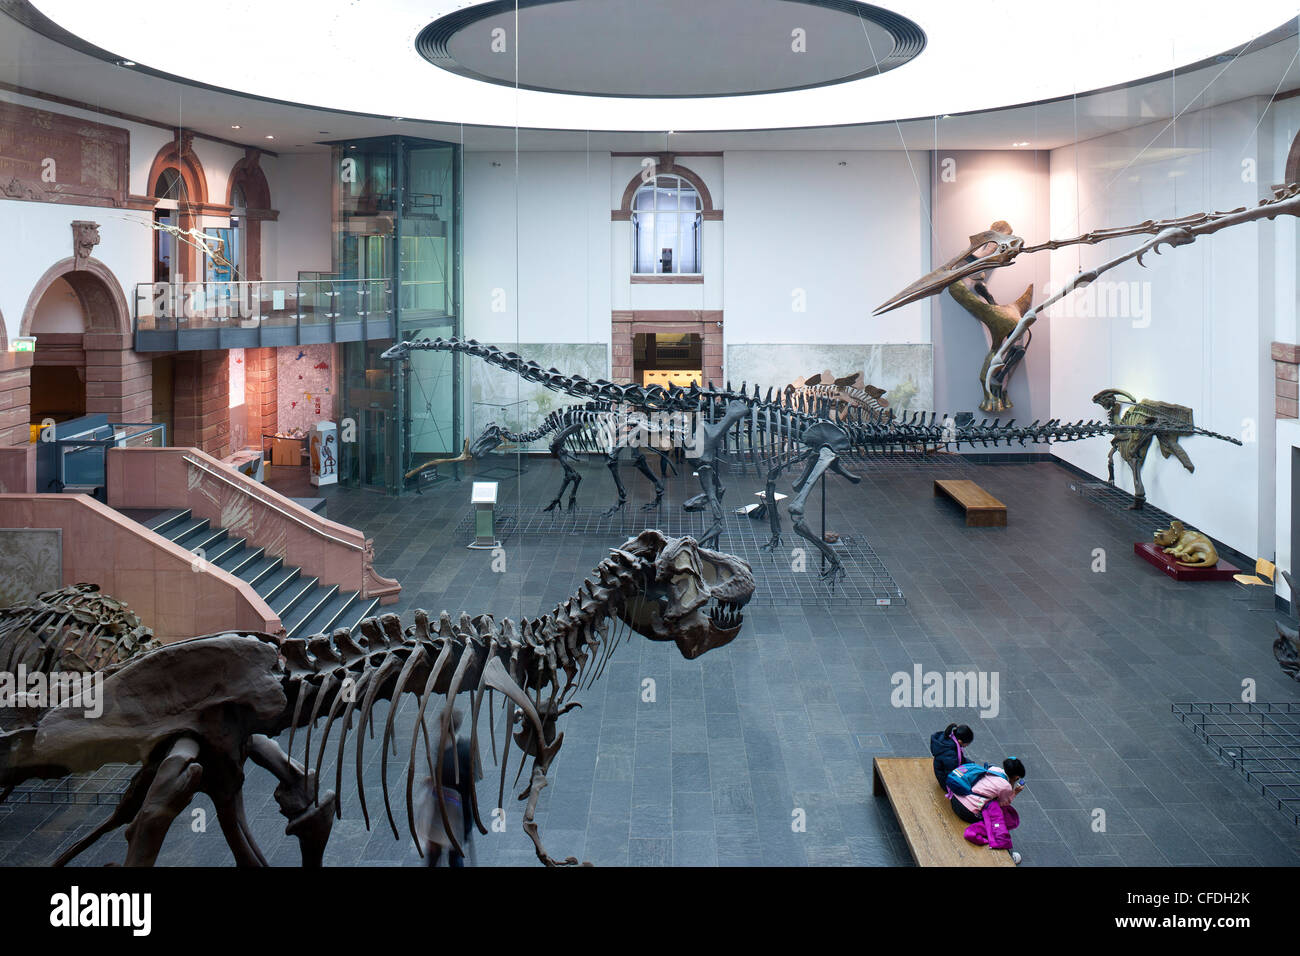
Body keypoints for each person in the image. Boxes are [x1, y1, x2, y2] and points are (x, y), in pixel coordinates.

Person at [949, 757, 1026, 864]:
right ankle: (1006, 853)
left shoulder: (994, 768)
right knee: (997, 818)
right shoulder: (1006, 786)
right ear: (1016, 777)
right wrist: (1015, 792)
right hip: (966, 811)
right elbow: (1003, 803)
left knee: (992, 807)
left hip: (955, 799)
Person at [929, 723, 974, 788]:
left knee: (972, 767)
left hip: (944, 771)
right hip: (946, 781)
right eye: (967, 744)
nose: (967, 746)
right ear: (960, 742)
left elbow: (960, 760)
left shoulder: (949, 738)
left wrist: (970, 764)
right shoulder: (951, 754)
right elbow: (951, 774)